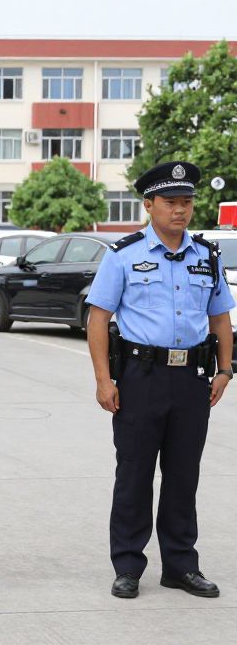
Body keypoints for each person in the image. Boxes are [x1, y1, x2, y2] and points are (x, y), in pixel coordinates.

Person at [86, 161, 233, 600]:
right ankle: (128, 565)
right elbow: (98, 319)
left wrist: (225, 369)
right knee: (134, 474)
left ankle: (181, 566)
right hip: (140, 377)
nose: (180, 210)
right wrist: (103, 380)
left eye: (186, 202)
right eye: (171, 202)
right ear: (149, 204)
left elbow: (221, 317)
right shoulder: (124, 255)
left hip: (192, 377)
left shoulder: (207, 257)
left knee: (183, 475)